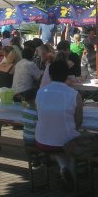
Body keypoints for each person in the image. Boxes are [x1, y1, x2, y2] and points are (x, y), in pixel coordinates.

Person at [35, 59, 83, 189]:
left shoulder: (40, 92)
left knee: (57, 140)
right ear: (67, 75)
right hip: (65, 142)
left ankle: (63, 167)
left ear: (50, 75)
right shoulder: (74, 95)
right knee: (73, 140)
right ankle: (70, 174)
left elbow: (40, 114)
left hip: (41, 139)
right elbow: (78, 121)